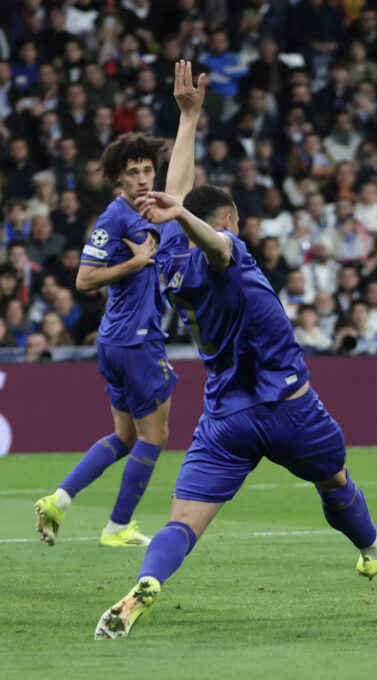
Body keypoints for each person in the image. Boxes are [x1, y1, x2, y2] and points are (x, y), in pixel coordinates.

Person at [95, 61, 377, 640]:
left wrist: (189, 118)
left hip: (225, 416)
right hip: (290, 406)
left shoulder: (166, 258)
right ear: (231, 219)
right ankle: (371, 548)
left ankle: (149, 582)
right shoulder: (225, 248)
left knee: (182, 522)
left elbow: (177, 195)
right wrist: (190, 214)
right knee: (334, 480)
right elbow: (209, 240)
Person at [34, 127, 178, 548]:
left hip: (116, 340)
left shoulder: (142, 213)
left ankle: (59, 499)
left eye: (148, 169)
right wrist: (135, 263)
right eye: (133, 171)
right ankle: (117, 527)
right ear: (118, 177)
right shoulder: (115, 218)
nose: (142, 178)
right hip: (134, 342)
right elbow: (83, 279)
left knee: (126, 436)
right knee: (156, 436)